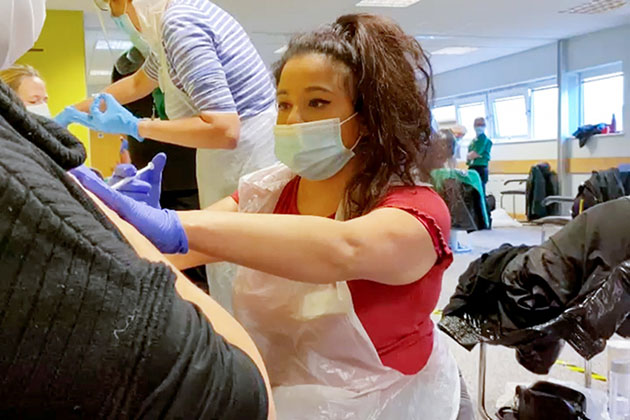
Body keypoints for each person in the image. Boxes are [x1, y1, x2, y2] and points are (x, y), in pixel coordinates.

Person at [75, 13, 474, 420]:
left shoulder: (417, 208)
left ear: (369, 117)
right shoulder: (266, 191)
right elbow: (180, 253)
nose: (292, 120)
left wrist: (177, 225)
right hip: (289, 398)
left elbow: (342, 249)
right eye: (283, 104)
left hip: (402, 402)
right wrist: (122, 228)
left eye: (316, 102)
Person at [0, 1, 275, 418]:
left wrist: (134, 127)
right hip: (223, 164)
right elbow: (136, 84)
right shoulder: (162, 34)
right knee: (226, 271)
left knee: (244, 276)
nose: (110, 14)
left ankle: (263, 357)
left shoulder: (181, 23)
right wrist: (81, 109)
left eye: (109, 5)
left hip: (245, 158)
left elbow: (224, 128)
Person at [467, 117, 492, 194]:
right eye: (477, 124)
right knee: (473, 193)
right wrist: (471, 156)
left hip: (480, 168)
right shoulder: (474, 140)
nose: (479, 127)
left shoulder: (484, 139)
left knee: (479, 193)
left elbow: (474, 154)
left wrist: (471, 155)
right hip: (473, 168)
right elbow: (470, 156)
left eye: (482, 124)